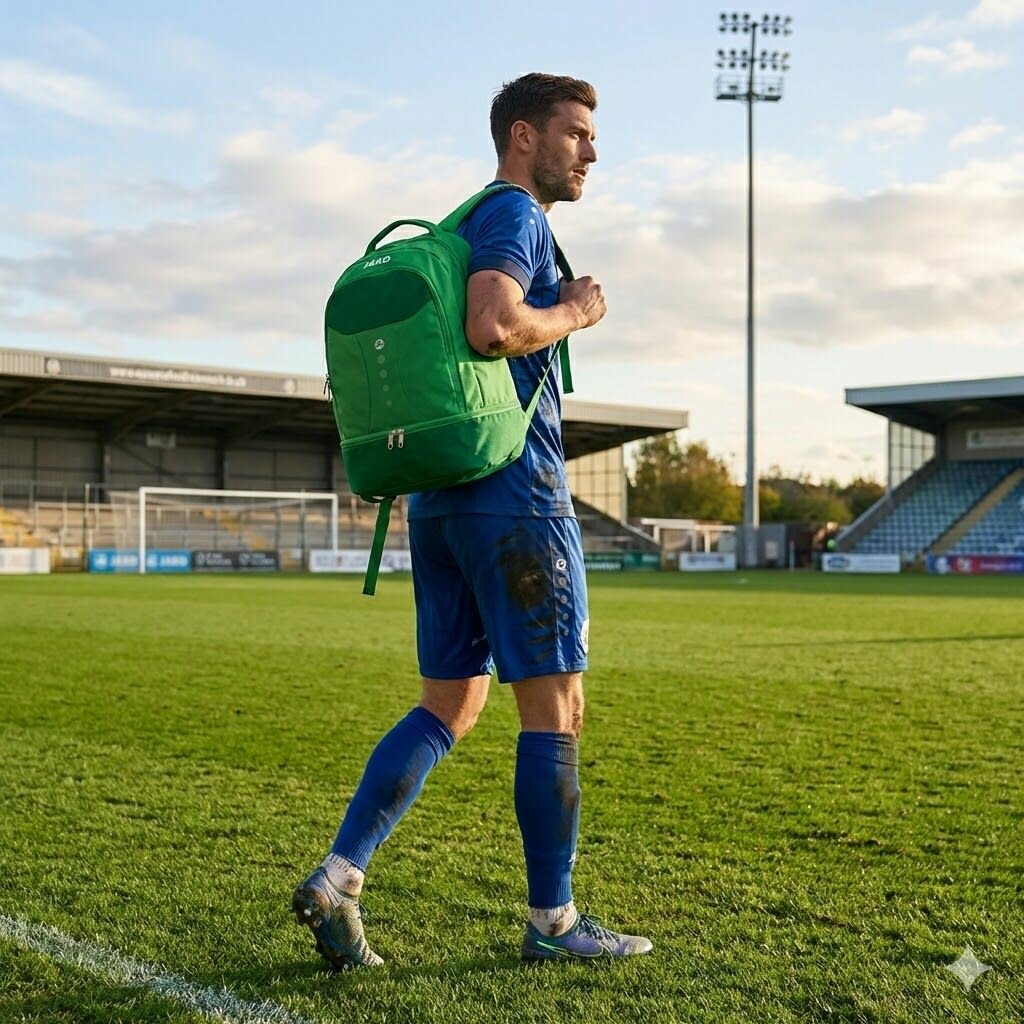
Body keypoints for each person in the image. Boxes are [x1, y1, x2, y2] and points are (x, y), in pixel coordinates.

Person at [292, 72, 652, 968]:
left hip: (442, 502)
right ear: (523, 137)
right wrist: (574, 311)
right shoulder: (514, 216)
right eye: (575, 133)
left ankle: (340, 876)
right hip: (515, 500)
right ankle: (555, 924)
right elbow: (494, 327)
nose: (591, 151)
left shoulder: (454, 226)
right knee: (556, 708)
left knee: (449, 704)